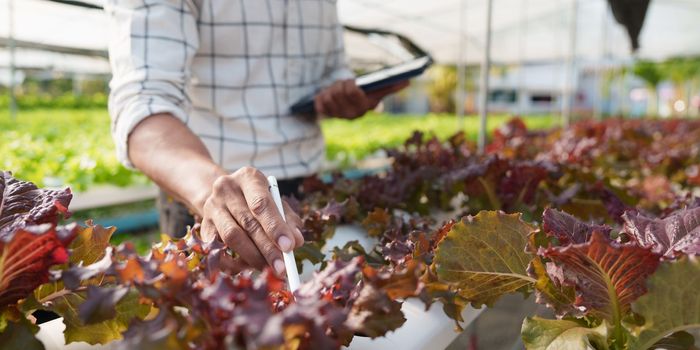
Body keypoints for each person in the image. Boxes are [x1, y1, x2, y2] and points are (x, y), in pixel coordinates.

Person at [105, 0, 407, 276]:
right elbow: (144, 105)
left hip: (308, 192)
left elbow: (330, 70)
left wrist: (341, 96)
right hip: (208, 197)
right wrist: (214, 193)